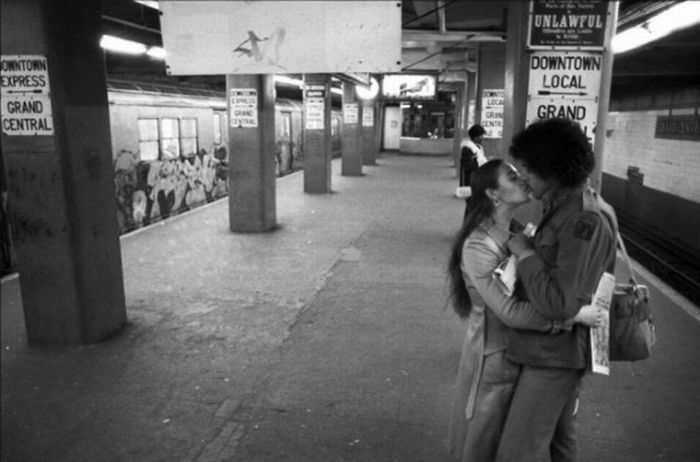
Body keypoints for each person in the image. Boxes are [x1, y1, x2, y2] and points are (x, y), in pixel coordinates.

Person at [446, 159, 603, 462]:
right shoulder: (478, 246)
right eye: (512, 177)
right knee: (485, 438)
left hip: (521, 350)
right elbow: (510, 311)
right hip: (495, 356)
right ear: (494, 194)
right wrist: (571, 316)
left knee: (521, 437)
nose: (522, 180)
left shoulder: (517, 232)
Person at [495, 118, 618, 462]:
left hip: (553, 356)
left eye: (529, 171)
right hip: (554, 351)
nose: (525, 179)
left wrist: (525, 252)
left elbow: (561, 303)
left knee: (518, 450)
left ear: (553, 170)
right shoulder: (564, 206)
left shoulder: (582, 219)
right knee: (560, 443)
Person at [459, 125, 488, 220]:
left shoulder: (478, 147)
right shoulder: (467, 149)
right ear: (475, 137)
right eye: (481, 136)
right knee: (472, 206)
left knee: (472, 207)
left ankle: (466, 229)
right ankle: (467, 229)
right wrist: (480, 164)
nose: (482, 138)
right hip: (470, 182)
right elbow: (467, 166)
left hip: (477, 181)